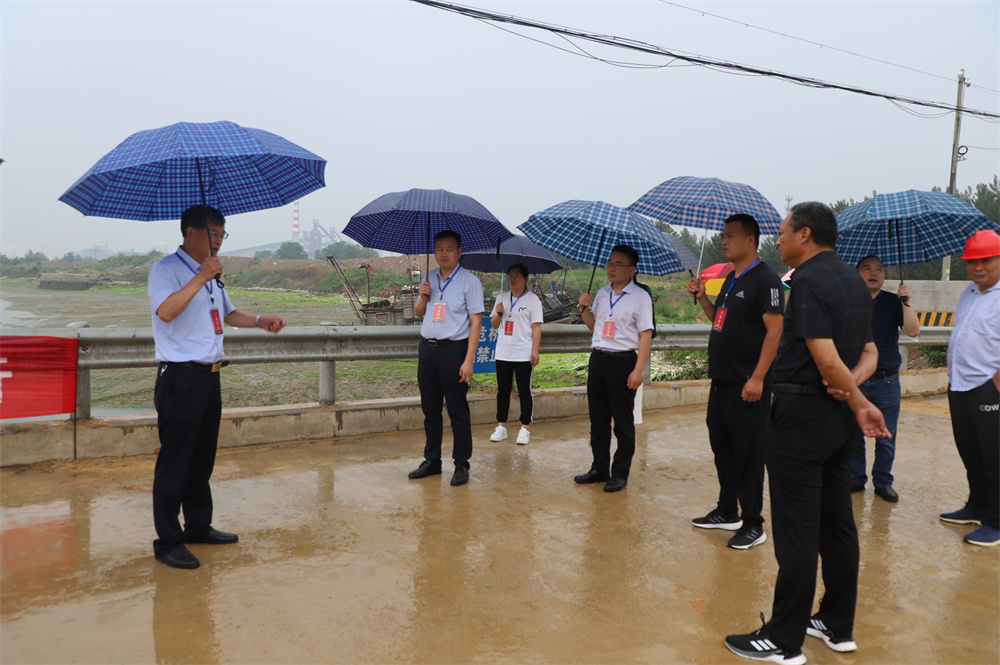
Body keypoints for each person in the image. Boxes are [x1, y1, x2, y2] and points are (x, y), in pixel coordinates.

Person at [725, 202, 890, 664]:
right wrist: (852, 389)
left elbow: (822, 355)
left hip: (802, 417)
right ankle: (837, 624)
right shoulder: (855, 284)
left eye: (782, 233)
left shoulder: (810, 280)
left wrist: (856, 400)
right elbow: (870, 352)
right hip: (836, 424)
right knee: (837, 526)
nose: (777, 240)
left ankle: (783, 639)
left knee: (797, 532)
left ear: (805, 234)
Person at [148, 205, 286, 570]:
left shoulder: (212, 275)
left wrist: (260, 320)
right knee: (175, 463)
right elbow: (166, 311)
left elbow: (226, 314)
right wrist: (200, 276)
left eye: (223, 234)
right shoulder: (166, 270)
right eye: (214, 234)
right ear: (190, 233)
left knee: (201, 460)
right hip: (180, 378)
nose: (220, 241)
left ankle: (197, 526)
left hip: (210, 377)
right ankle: (167, 541)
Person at [687, 214, 784, 550]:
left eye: (730, 236)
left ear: (750, 241)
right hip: (723, 381)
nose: (724, 241)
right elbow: (720, 320)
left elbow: (775, 331)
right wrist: (702, 297)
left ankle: (754, 523)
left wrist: (758, 378)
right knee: (724, 448)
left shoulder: (766, 280)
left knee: (748, 454)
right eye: (723, 235)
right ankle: (728, 510)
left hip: (748, 386)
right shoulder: (730, 279)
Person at [574, 245, 653, 493]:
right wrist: (584, 308)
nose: (611, 268)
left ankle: (620, 473)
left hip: (622, 362)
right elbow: (594, 326)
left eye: (618, 265)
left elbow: (645, 335)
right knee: (598, 419)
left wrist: (638, 370)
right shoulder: (601, 293)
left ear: (632, 270)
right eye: (609, 263)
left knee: (622, 422)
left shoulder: (640, 297)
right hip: (598, 359)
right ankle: (599, 468)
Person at [408, 230, 484, 487]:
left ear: (459, 252)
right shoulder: (429, 277)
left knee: (457, 410)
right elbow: (419, 313)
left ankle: (461, 464)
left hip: (454, 350)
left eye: (449, 249)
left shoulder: (470, 283)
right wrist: (424, 296)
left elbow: (476, 323)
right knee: (430, 409)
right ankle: (432, 461)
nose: (443, 254)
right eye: (439, 249)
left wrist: (469, 360)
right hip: (427, 349)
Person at [939, 229, 1000, 547]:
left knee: (995, 458)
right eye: (972, 261)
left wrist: (995, 388)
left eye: (986, 260)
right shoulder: (969, 293)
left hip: (988, 390)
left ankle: (996, 521)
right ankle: (976, 507)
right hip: (960, 386)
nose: (978, 267)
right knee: (971, 453)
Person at [850, 256, 921, 502]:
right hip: (856, 378)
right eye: (867, 268)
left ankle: (883, 481)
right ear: (857, 273)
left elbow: (913, 331)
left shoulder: (893, 301)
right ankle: (855, 478)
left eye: (879, 269)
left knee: (886, 434)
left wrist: (907, 302)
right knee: (854, 433)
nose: (874, 273)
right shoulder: (848, 302)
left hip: (886, 380)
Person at [488, 263, 543, 445]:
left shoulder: (533, 300)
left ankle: (525, 427)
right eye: (510, 275)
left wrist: (535, 350)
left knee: (524, 391)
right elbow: (494, 325)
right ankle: (501, 426)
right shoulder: (501, 299)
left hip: (523, 353)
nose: (513, 279)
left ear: (525, 279)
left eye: (517, 275)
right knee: (502, 391)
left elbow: (536, 327)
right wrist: (498, 313)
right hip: (503, 351)